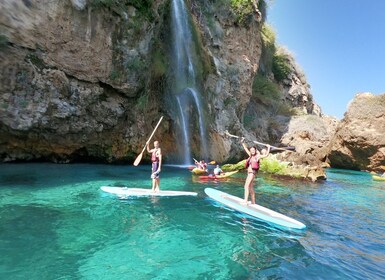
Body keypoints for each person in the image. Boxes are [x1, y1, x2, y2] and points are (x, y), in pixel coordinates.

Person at [241, 137, 270, 204]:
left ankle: (245, 201)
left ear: (255, 150)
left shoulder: (257, 156)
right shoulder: (250, 156)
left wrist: (268, 147)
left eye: (253, 150)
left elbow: (266, 155)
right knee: (251, 187)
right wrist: (242, 142)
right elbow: (245, 148)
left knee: (246, 186)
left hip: (251, 173)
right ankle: (253, 202)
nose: (252, 151)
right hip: (250, 174)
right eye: (251, 150)